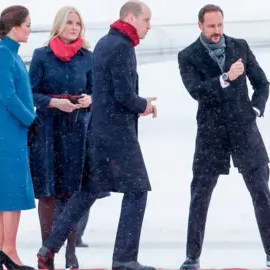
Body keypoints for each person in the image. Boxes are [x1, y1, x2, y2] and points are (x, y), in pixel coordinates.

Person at [36, 1, 157, 270]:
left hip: (97, 130)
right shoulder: (123, 47)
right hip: (117, 135)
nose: (149, 25)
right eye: (146, 20)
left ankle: (48, 248)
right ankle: (124, 258)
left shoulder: (104, 43)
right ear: (130, 17)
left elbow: (107, 93)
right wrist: (144, 105)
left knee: (87, 191)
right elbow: (123, 94)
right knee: (137, 190)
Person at [177, 4, 270, 269]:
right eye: (211, 26)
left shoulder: (239, 46)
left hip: (244, 130)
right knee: (200, 195)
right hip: (211, 134)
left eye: (220, 25)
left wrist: (254, 108)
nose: (217, 31)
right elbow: (196, 91)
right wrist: (225, 78)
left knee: (261, 192)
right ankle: (192, 257)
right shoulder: (188, 55)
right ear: (200, 26)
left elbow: (262, 83)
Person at [28, 5, 110, 268]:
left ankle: (71, 251)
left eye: (78, 23)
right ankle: (47, 253)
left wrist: (90, 99)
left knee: (74, 194)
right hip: (48, 132)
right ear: (59, 25)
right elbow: (32, 94)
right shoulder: (41, 55)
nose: (74, 27)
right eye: (70, 23)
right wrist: (53, 103)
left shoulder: (88, 56)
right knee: (49, 194)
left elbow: (99, 93)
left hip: (77, 131)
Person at [0, 5, 37, 270]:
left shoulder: (8, 54)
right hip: (8, 133)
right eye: (27, 24)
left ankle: (4, 250)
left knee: (5, 193)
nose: (30, 29)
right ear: (15, 26)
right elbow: (8, 96)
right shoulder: (4, 55)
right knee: (12, 193)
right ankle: (9, 251)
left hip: (9, 132)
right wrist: (32, 119)